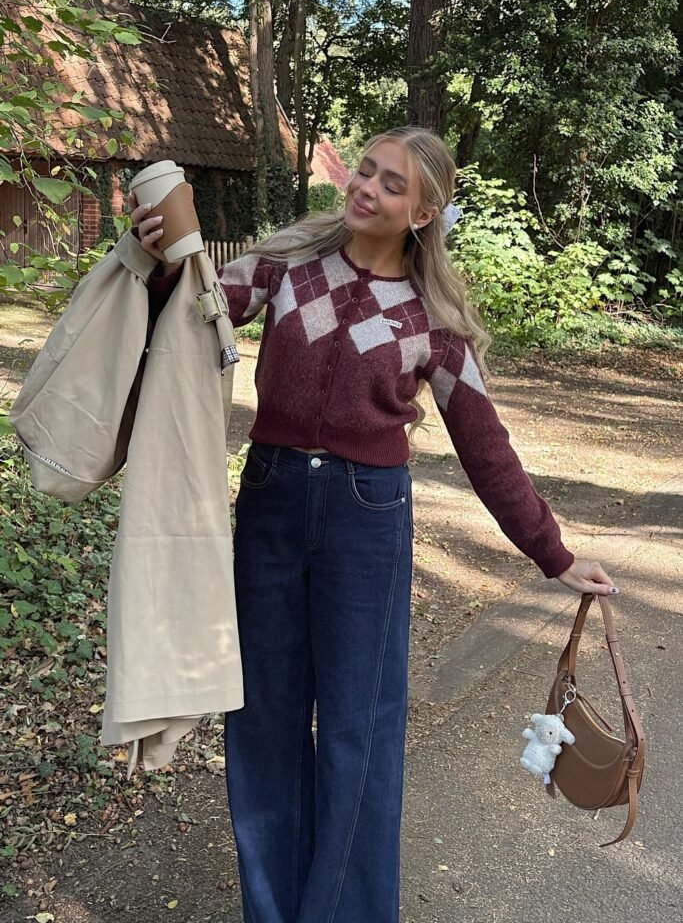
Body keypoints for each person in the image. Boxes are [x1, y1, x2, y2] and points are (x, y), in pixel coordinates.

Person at [131, 126, 618, 923]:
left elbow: (483, 445)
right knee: (263, 719)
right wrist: (153, 261)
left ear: (423, 212)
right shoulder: (284, 265)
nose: (366, 188)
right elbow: (196, 314)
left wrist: (549, 551)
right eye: (365, 171)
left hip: (368, 516)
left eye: (392, 184)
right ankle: (273, 909)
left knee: (359, 726)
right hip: (271, 501)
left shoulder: (434, 319)